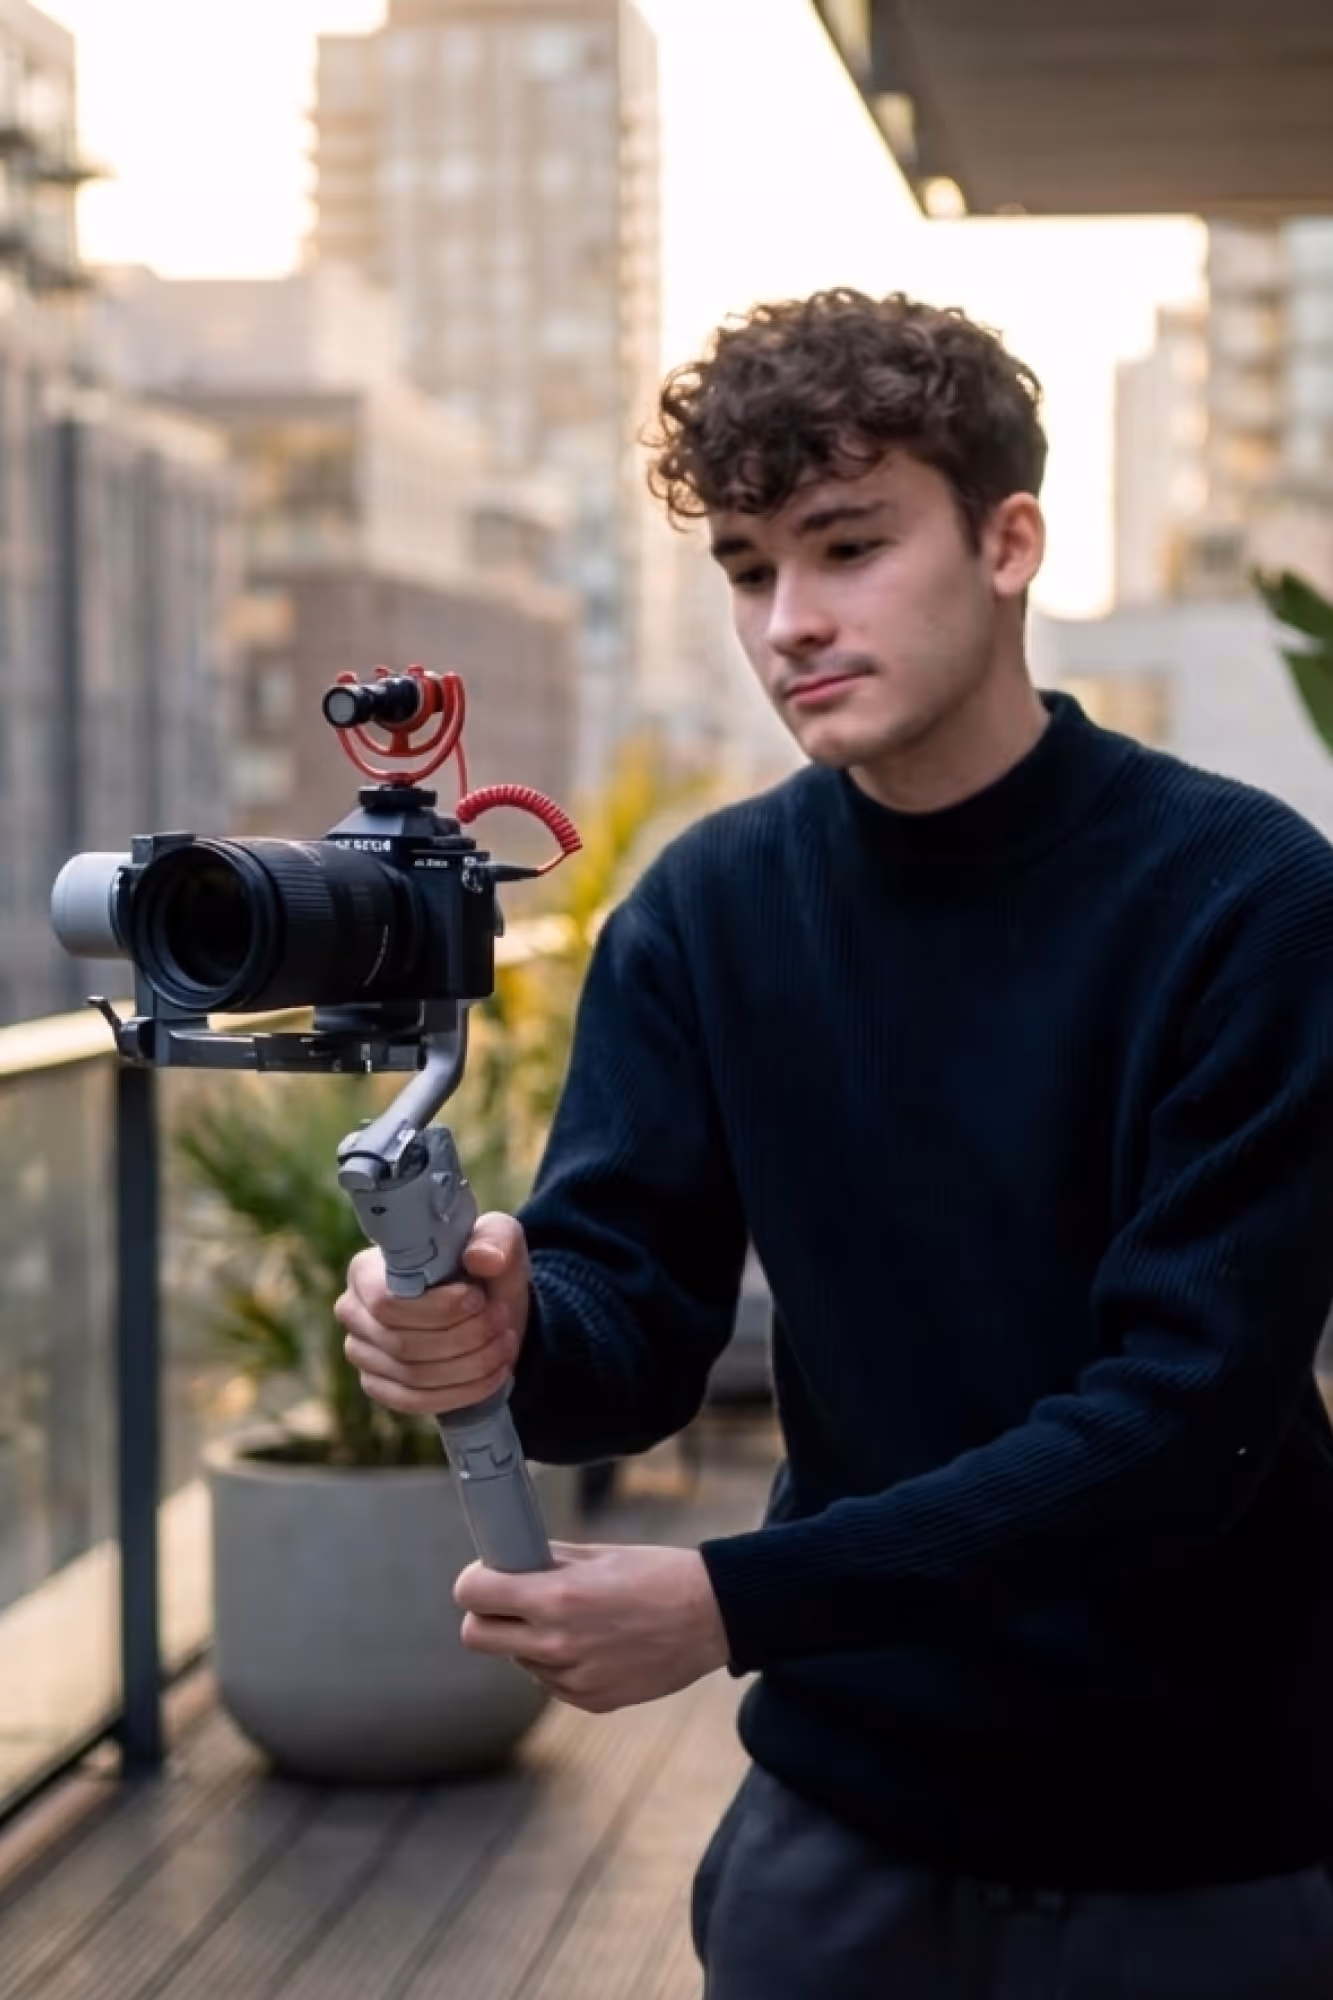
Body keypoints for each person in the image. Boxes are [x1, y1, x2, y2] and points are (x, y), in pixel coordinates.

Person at [334, 289, 1333, 1997]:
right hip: (846, 1823)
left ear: (1007, 541)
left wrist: (731, 1602)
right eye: (744, 568)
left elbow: (1184, 1428)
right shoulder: (705, 913)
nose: (790, 620)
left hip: (1210, 1831)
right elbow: (628, 1332)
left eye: (848, 547)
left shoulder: (1248, 902)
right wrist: (496, 1328)